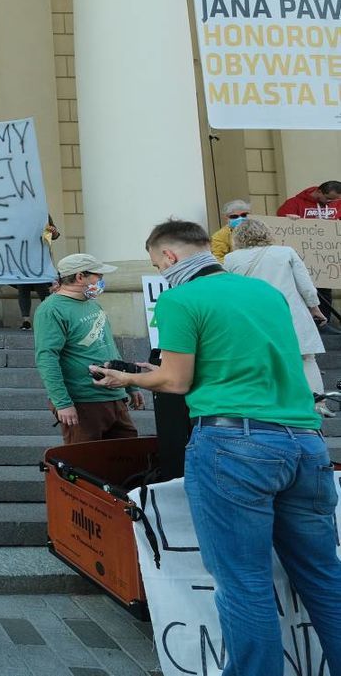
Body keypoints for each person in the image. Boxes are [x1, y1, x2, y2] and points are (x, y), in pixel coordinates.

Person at [93, 219, 341, 676]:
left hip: (233, 444)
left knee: (245, 582)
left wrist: (124, 377)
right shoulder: (264, 293)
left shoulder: (179, 298)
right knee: (325, 578)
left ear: (168, 258)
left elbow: (175, 379)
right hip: (304, 442)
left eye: (154, 263)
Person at [225, 218, 333, 416]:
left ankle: (272, 403)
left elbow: (231, 290)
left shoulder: (231, 259)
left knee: (262, 359)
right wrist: (314, 309)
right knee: (306, 358)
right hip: (291, 312)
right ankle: (317, 404)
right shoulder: (286, 252)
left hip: (254, 317)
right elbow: (306, 285)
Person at [33, 253, 143, 444]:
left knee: (128, 461)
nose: (102, 280)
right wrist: (63, 403)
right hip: (84, 401)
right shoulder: (51, 309)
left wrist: (130, 384)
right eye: (98, 275)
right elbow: (47, 358)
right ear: (79, 276)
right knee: (87, 466)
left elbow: (109, 348)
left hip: (115, 395)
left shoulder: (92, 303)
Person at [278, 181, 341, 330]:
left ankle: (323, 324)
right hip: (302, 257)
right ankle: (304, 325)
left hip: (326, 257)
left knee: (325, 291)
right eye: (329, 199)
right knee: (301, 290)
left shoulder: (336, 204)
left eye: (335, 200)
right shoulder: (294, 203)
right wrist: (289, 220)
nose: (331, 203)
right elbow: (280, 225)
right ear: (318, 192)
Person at [11, 218, 60, 330]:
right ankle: (26, 321)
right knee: (23, 288)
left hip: (39, 259)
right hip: (21, 258)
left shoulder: (42, 212)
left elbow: (55, 235)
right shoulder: (17, 213)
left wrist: (53, 231)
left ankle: (50, 318)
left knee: (43, 288)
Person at [208, 198, 250, 263]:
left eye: (243, 215)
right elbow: (217, 258)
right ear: (226, 218)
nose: (240, 218)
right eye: (234, 216)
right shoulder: (219, 236)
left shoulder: (256, 230)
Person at [277, 180, 341, 220]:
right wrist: (287, 219)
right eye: (328, 198)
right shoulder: (293, 203)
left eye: (336, 199)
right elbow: (282, 223)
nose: (331, 201)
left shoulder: (338, 202)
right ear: (319, 191)